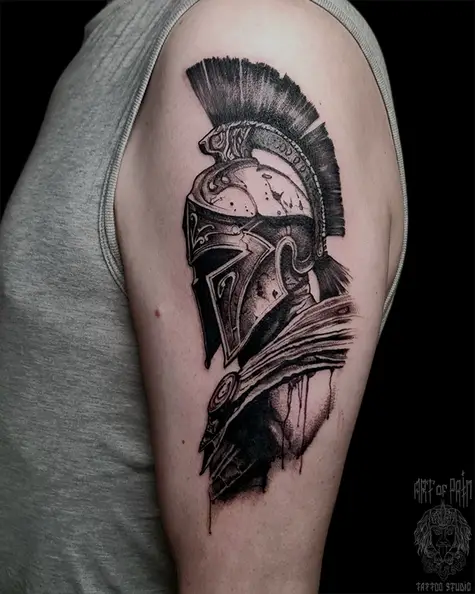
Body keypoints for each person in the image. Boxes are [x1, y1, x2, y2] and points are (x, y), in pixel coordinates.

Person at [0, 0, 407, 592]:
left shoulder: (263, 31)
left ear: (287, 256)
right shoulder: (121, 32)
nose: (205, 285)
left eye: (219, 260)